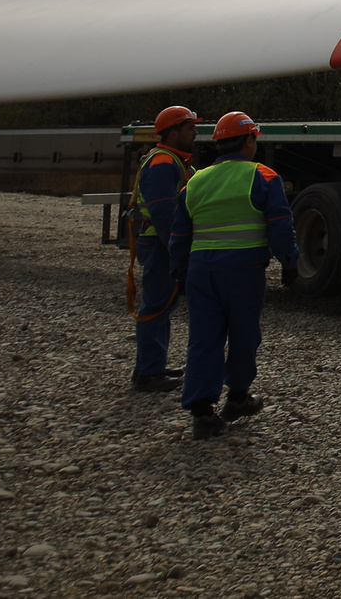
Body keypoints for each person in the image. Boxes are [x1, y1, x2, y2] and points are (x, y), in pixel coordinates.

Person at [168, 112, 297, 439]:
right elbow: (280, 227)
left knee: (203, 338)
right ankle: (237, 397)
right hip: (243, 272)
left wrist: (179, 273)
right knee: (243, 335)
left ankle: (202, 414)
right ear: (250, 140)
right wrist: (290, 263)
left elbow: (179, 236)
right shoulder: (263, 176)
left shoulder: (194, 181)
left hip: (201, 272)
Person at [128, 105, 201, 392]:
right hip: (159, 244)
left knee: (163, 305)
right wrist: (178, 252)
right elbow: (164, 214)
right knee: (157, 305)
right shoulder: (162, 163)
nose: (196, 134)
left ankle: (152, 366)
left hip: (160, 243)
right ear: (173, 132)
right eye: (190, 128)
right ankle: (148, 373)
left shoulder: (175, 161)